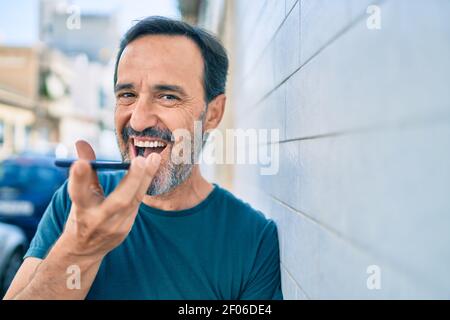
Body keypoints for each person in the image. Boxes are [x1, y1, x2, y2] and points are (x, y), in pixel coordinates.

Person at [4, 16, 282, 300]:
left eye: (168, 97)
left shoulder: (253, 239)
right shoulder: (75, 205)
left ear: (213, 114)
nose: (137, 121)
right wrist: (80, 248)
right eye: (127, 94)